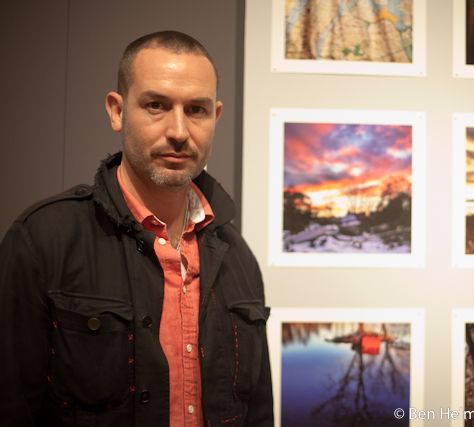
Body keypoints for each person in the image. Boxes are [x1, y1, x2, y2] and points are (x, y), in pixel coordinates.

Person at [0, 31, 273, 427]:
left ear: (214, 118)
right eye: (156, 105)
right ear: (117, 111)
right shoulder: (43, 240)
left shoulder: (238, 258)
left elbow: (258, 413)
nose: (179, 131)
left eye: (195, 110)